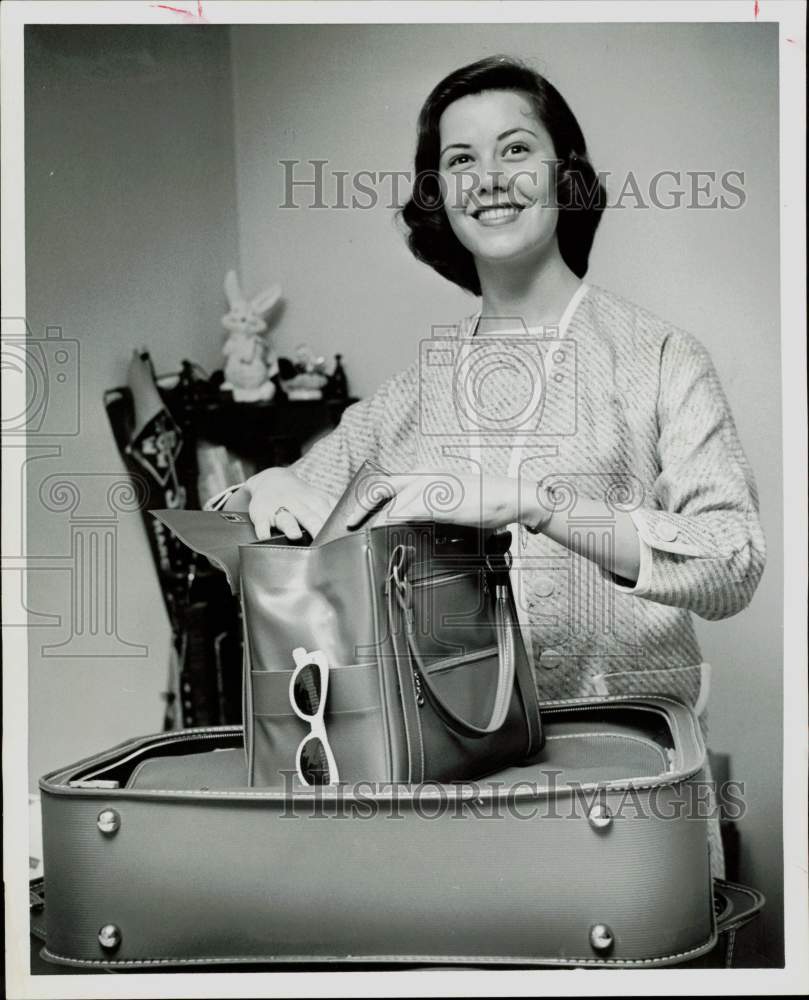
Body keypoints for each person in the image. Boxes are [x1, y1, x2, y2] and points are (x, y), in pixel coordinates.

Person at [208, 56, 766, 877]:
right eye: (459, 160)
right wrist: (263, 493)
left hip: (626, 789)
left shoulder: (660, 358)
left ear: (563, 175)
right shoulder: (410, 395)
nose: (488, 179)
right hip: (452, 814)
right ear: (437, 196)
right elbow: (266, 540)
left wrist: (535, 502)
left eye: (514, 150)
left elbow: (733, 558)